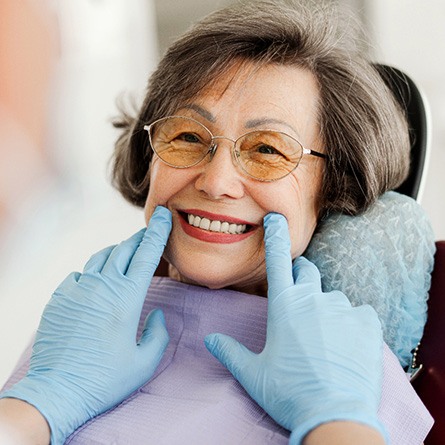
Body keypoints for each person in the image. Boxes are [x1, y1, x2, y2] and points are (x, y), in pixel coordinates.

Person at [0, 0, 434, 444]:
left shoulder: (346, 370)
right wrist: (37, 405)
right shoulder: (78, 333)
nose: (216, 182)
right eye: (188, 137)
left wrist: (337, 422)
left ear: (333, 190)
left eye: (267, 150)